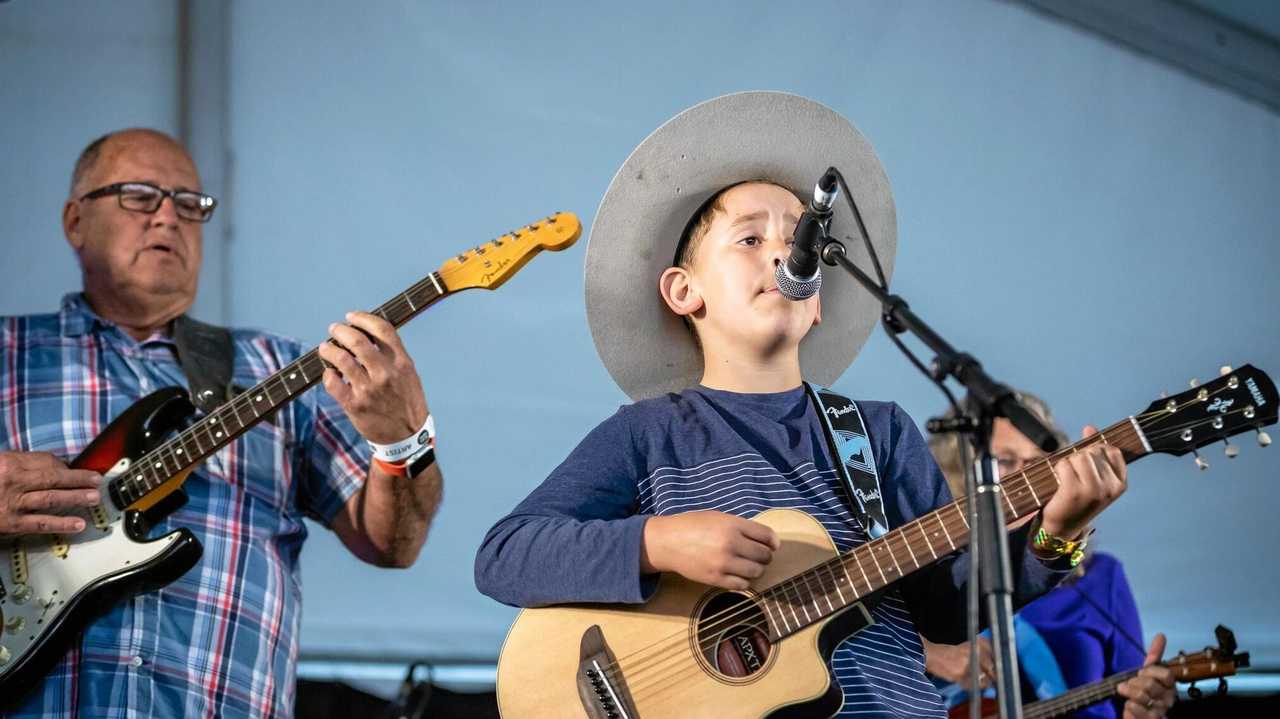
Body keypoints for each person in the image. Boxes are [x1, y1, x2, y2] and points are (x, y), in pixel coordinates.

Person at [474, 92, 1137, 717]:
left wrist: (1056, 536)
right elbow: (504, 553)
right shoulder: (651, 435)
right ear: (682, 290)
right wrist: (657, 540)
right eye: (750, 239)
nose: (787, 253)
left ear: (817, 301)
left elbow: (946, 613)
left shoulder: (877, 433)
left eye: (801, 241)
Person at [0, 128, 443, 717]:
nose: (168, 217)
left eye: (190, 205)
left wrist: (403, 439)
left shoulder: (277, 369)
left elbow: (393, 543)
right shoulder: (7, 352)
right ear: (75, 221)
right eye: (139, 196)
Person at [923, 391, 1175, 718]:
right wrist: (930, 653)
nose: (1025, 476)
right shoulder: (927, 577)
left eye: (1038, 462)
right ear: (958, 471)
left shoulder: (1102, 576)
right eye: (1004, 461)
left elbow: (1132, 697)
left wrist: (1147, 707)